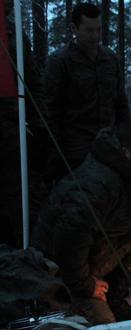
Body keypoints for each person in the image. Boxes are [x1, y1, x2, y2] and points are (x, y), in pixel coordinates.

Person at [32, 123, 131, 324]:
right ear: (126, 152)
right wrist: (86, 286)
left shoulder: (126, 172)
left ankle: (114, 296)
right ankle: (83, 300)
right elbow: (68, 244)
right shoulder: (97, 183)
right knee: (106, 329)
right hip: (62, 273)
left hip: (94, 257)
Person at [44, 2, 129, 185]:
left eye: (98, 30)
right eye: (89, 30)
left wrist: (125, 139)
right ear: (74, 28)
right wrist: (56, 156)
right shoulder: (59, 62)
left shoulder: (110, 59)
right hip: (75, 152)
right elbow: (51, 113)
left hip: (109, 147)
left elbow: (121, 104)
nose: (95, 36)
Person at [0, 0, 48, 248]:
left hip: (13, 129)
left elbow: (32, 82)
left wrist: (39, 125)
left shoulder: (14, 34)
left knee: (22, 201)